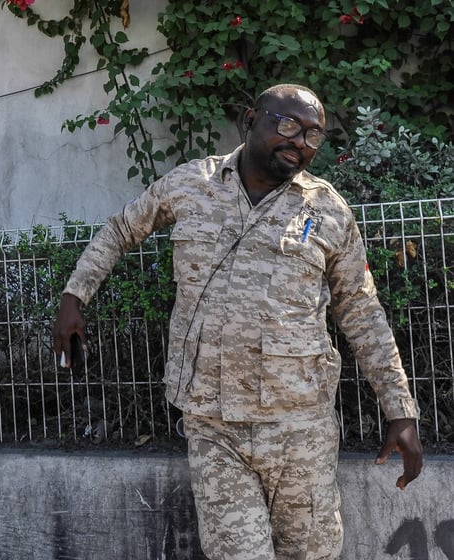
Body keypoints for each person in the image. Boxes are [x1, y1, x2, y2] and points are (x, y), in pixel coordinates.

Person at [52, 84, 423, 559]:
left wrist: (400, 409)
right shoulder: (191, 185)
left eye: (313, 135)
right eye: (287, 125)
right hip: (213, 425)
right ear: (251, 119)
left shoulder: (328, 210)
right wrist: (73, 295)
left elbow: (361, 311)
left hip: (300, 430)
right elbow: (123, 228)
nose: (300, 142)